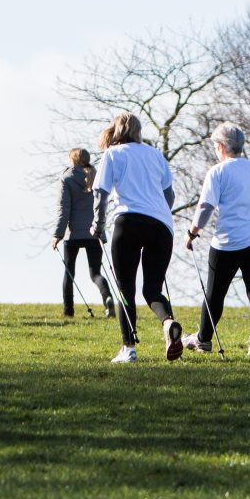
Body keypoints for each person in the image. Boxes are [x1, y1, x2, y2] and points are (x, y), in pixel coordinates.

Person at [92, 113, 179, 363]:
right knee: (152, 288)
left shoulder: (112, 154)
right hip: (162, 226)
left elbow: (101, 193)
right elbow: (169, 195)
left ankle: (128, 348)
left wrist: (98, 225)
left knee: (124, 289)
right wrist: (160, 214)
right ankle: (168, 322)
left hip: (128, 221)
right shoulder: (154, 154)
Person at [184, 122, 250, 357]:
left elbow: (206, 206)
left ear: (222, 147)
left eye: (216, 145)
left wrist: (193, 231)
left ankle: (203, 339)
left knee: (215, 293)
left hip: (228, 241)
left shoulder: (218, 172)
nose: (215, 149)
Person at [53, 147, 114, 319]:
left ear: (72, 159)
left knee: (69, 272)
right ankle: (107, 297)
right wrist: (101, 231)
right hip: (94, 233)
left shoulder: (66, 178)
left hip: (72, 234)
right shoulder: (97, 176)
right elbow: (102, 204)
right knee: (95, 273)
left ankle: (68, 311)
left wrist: (57, 234)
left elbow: (63, 209)